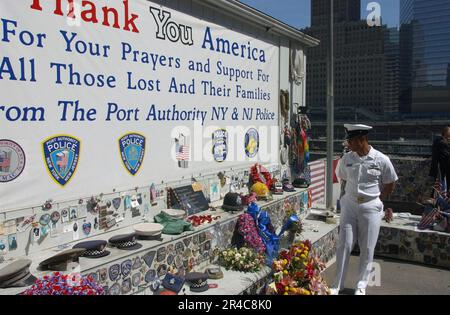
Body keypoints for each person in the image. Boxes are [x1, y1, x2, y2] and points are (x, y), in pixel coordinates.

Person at [330, 124, 398, 295]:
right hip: (350, 205)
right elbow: (342, 177)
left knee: (367, 247)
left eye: (350, 141)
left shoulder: (381, 159)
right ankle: (337, 284)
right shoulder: (347, 158)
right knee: (344, 244)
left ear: (362, 140)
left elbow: (390, 183)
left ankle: (361, 286)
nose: (348, 144)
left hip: (371, 206)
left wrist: (377, 199)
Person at [429, 127, 450, 195]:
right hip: (442, 171)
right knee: (442, 189)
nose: (449, 138)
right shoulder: (443, 144)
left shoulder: (437, 141)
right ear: (445, 135)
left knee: (438, 189)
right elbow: (446, 158)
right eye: (448, 136)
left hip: (437, 170)